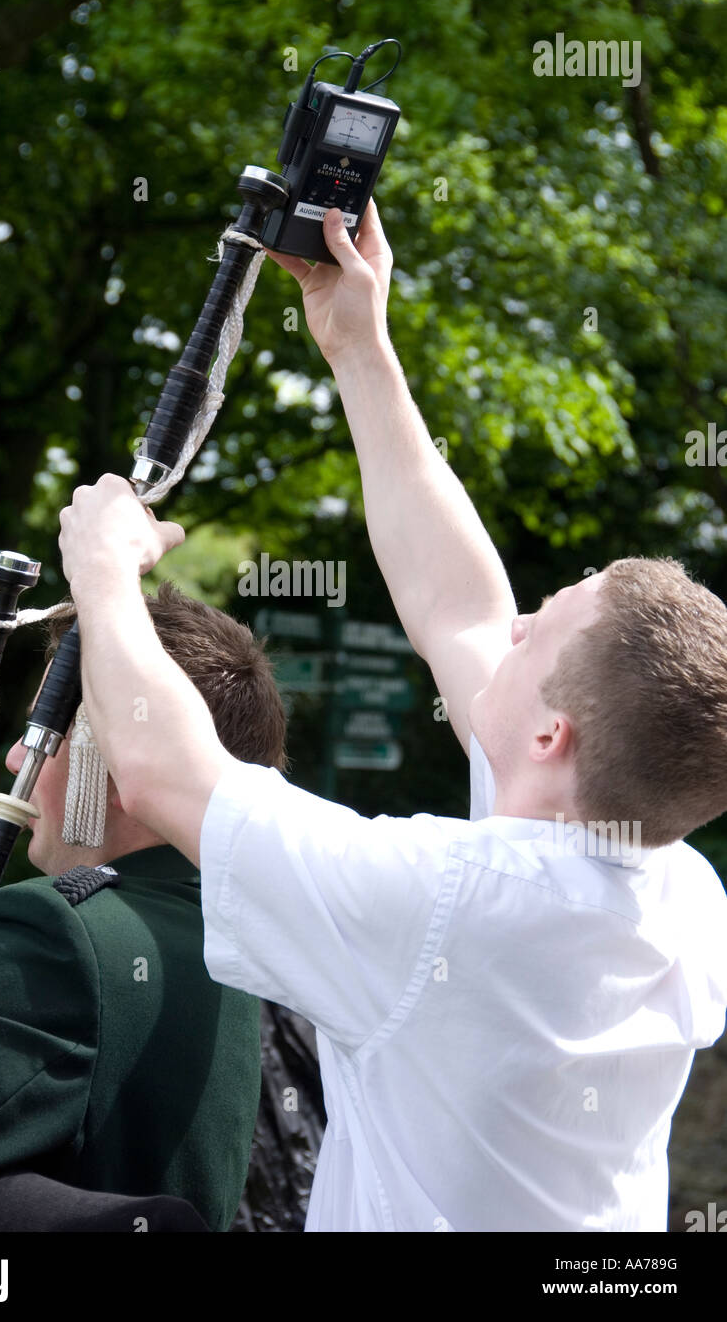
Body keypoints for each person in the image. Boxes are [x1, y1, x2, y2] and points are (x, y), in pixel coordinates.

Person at [56, 202, 727, 1232]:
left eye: (537, 630)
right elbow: (460, 606)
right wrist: (358, 342)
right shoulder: (676, 887)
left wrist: (102, 571)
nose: (511, 629)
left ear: (553, 735)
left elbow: (159, 770)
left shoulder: (443, 908)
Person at [0, 581, 286, 1231]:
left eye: (42, 735)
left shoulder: (57, 931)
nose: (13, 758)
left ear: (114, 760)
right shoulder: (225, 936)